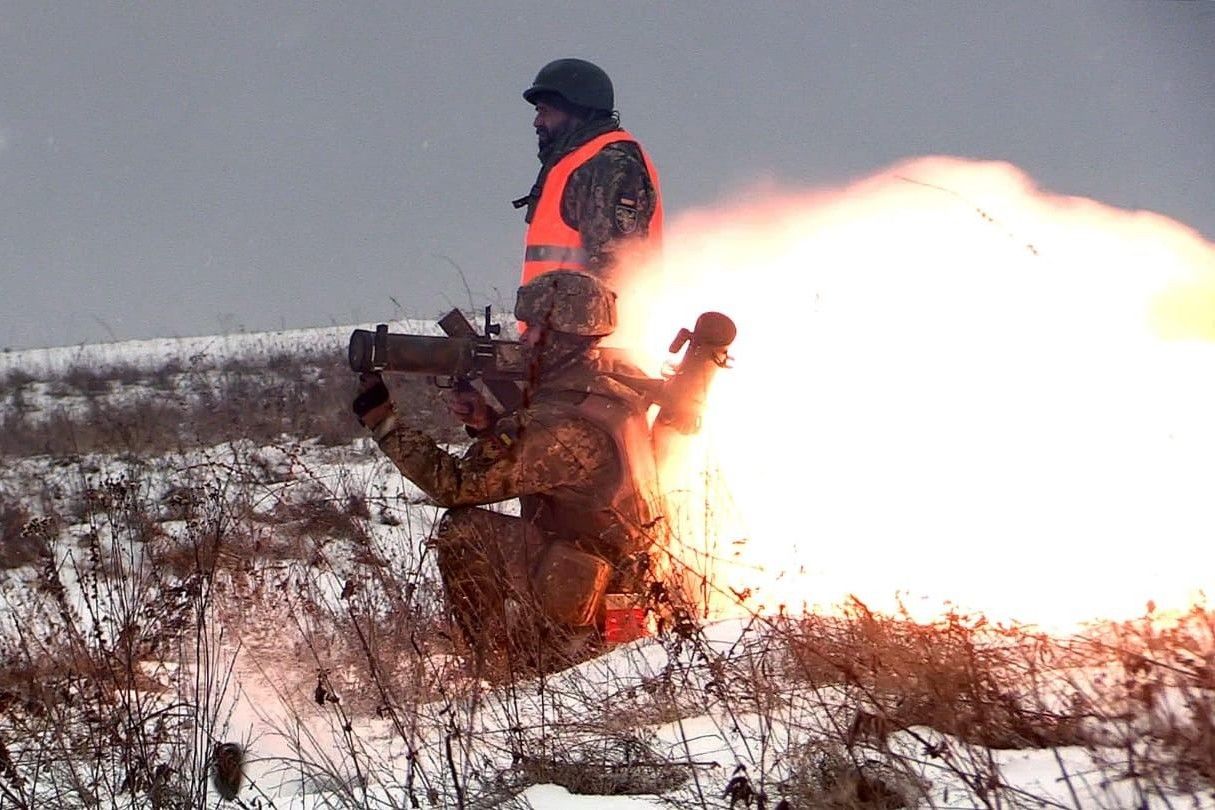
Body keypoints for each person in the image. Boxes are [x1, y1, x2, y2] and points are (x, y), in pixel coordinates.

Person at [352, 270, 660, 672]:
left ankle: (496, 668)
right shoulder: (609, 386)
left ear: (560, 338)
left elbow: (456, 485)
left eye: (533, 329)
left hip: (595, 592)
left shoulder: (559, 424)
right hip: (624, 582)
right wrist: (488, 422)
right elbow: (550, 468)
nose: (524, 339)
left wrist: (384, 423)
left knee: (463, 529)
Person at [515, 58, 664, 292]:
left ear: (576, 110)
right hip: (560, 326)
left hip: (592, 327)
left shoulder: (610, 165)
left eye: (544, 111)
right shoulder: (577, 163)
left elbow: (615, 271)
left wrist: (569, 326)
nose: (537, 122)